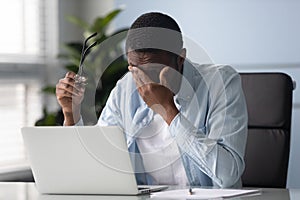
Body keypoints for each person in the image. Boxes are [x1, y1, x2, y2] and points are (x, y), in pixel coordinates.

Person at [56, 12, 248, 188]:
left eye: (154, 71)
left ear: (180, 58)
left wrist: (168, 110)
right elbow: (98, 163)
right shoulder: (125, 87)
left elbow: (227, 175)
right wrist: (70, 114)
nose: (144, 82)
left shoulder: (221, 82)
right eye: (134, 69)